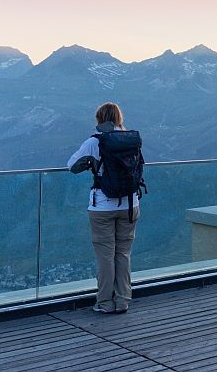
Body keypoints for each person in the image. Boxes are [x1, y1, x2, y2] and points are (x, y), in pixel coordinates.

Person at [68, 102, 142, 314]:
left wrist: (91, 163)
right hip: (130, 203)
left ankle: (105, 302)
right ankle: (122, 300)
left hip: (102, 205)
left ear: (99, 119)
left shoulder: (95, 141)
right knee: (123, 254)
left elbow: (71, 165)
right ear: (119, 117)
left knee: (105, 256)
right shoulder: (131, 139)